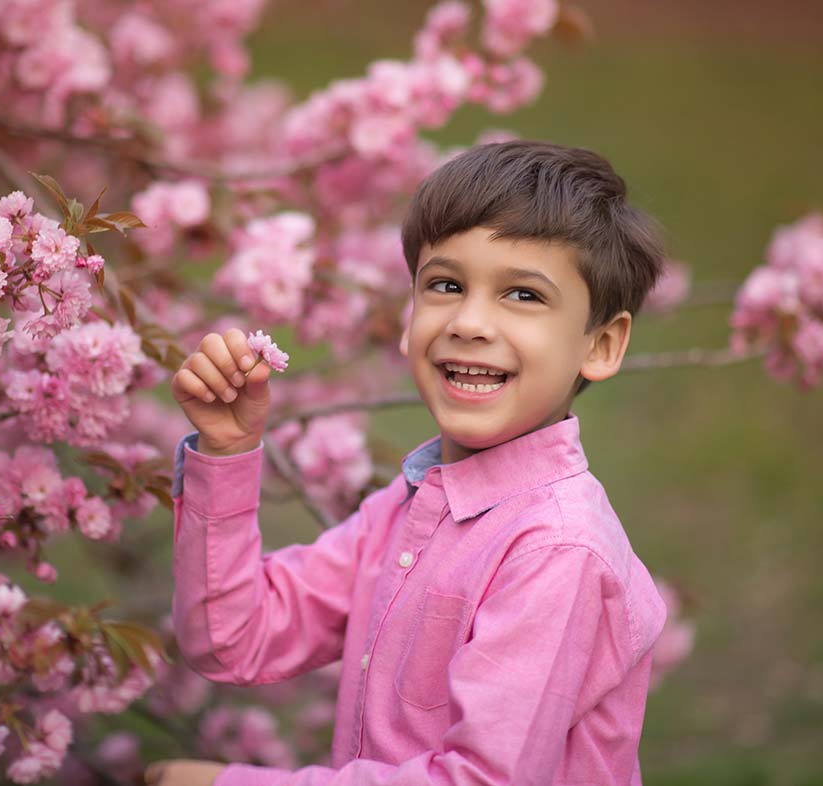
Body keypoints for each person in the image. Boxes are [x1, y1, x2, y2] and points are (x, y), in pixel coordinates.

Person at [148, 140, 670, 786]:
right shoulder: (407, 508)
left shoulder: (558, 551)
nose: (470, 322)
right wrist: (227, 453)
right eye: (446, 286)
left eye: (524, 296)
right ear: (409, 317)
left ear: (601, 344)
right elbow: (232, 637)